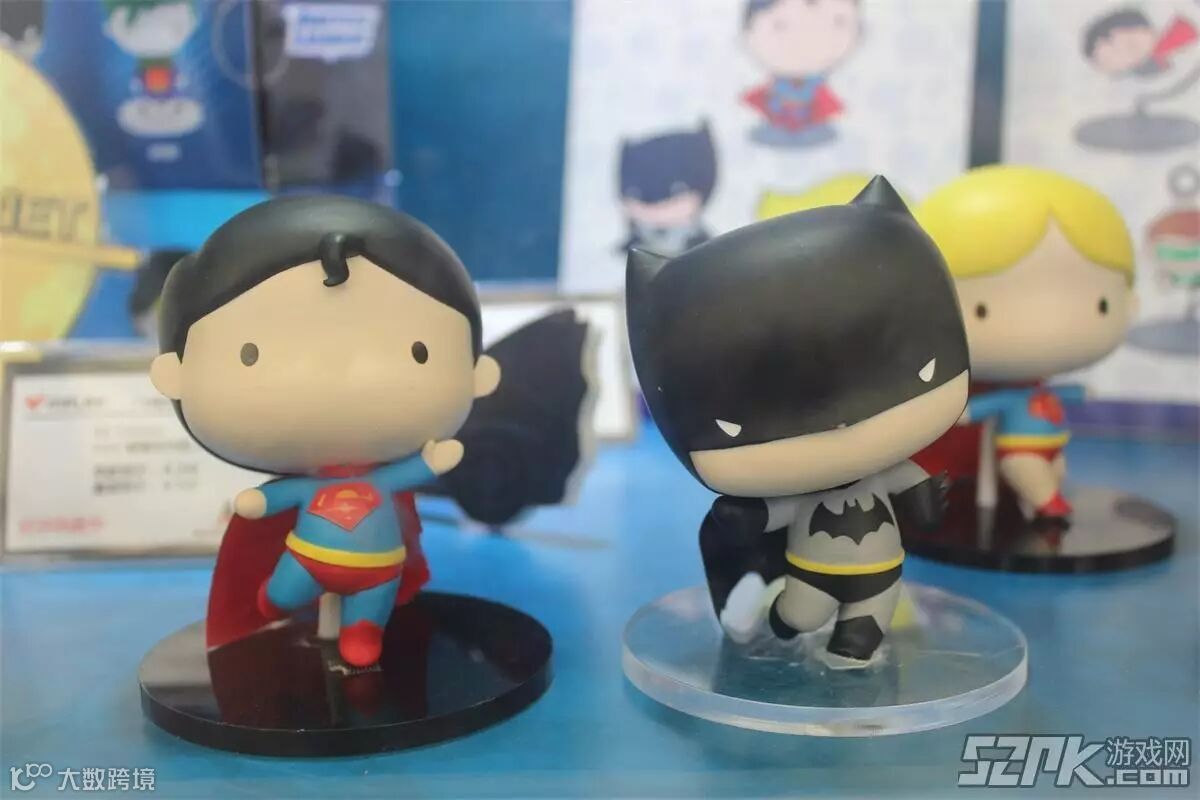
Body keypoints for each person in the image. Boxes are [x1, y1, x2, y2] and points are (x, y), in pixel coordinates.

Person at [149, 195, 501, 666]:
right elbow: (279, 499)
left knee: (370, 607)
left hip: (379, 568)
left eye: (419, 352)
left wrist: (433, 460)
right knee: (285, 588)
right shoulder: (319, 488)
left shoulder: (383, 483)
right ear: (175, 374)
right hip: (306, 555)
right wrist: (259, 503)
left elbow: (416, 471)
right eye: (252, 353)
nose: (345, 377)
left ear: (477, 373)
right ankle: (277, 600)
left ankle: (362, 633)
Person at [916, 166, 1137, 522]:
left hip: (1043, 446)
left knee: (1046, 470)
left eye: (1101, 305)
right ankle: (1046, 501)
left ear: (1130, 303)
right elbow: (972, 411)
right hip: (947, 453)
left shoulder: (1032, 391)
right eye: (982, 309)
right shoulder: (951, 394)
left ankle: (1041, 496)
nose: (1049, 327)